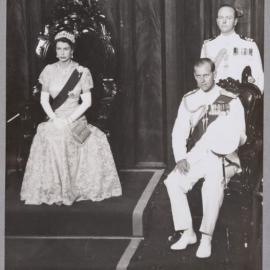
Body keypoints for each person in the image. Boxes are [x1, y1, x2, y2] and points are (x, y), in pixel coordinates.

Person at [20, 31, 122, 205]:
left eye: (65, 49)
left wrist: (68, 120)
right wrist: (55, 118)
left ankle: (72, 189)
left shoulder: (82, 72)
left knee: (73, 137)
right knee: (48, 134)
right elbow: (44, 99)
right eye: (59, 49)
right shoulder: (48, 70)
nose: (61, 53)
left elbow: (87, 102)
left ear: (72, 50)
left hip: (76, 119)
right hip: (55, 118)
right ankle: (53, 189)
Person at [164, 58, 246, 258]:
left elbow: (241, 135)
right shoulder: (189, 100)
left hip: (224, 157)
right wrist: (180, 157)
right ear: (194, 76)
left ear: (214, 73)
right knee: (173, 181)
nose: (202, 80)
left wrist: (222, 147)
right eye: (198, 76)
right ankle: (187, 232)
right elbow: (179, 131)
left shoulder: (230, 99)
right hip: (198, 154)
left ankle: (206, 237)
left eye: (206, 75)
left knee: (211, 186)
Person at [200, 4, 264, 92]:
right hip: (214, 96)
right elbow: (202, 75)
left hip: (240, 97)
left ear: (235, 21)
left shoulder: (249, 45)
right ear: (217, 21)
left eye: (229, 18)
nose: (224, 21)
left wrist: (253, 101)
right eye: (221, 17)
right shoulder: (208, 45)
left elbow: (259, 76)